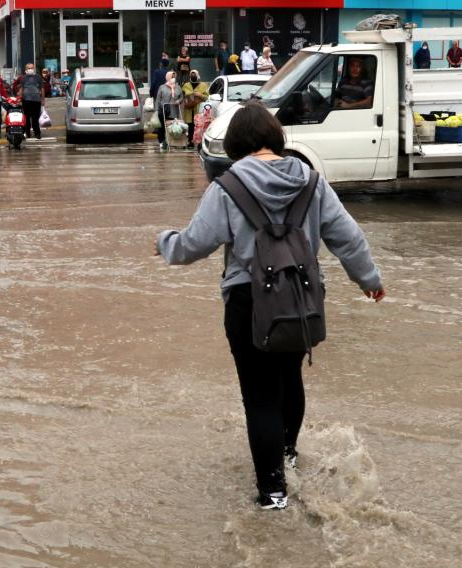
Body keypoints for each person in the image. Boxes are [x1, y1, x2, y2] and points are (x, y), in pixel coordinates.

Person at [154, 101, 385, 511]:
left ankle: (273, 493)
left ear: (237, 144)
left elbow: (192, 246)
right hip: (301, 298)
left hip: (248, 301)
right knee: (289, 377)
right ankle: (288, 458)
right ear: (276, 137)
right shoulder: (312, 183)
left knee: (259, 396)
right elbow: (347, 237)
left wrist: (163, 242)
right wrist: (370, 281)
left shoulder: (226, 187)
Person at [154, 71, 183, 151]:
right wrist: (157, 110)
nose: (173, 78)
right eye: (172, 77)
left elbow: (181, 97)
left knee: (172, 126)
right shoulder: (162, 87)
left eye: (174, 77)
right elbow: (158, 99)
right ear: (168, 77)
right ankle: (161, 141)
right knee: (162, 127)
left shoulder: (178, 87)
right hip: (163, 109)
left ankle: (171, 141)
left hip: (174, 110)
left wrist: (179, 101)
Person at [16, 63, 45, 140]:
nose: (30, 69)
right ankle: (27, 133)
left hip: (36, 100)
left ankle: (37, 133)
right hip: (26, 100)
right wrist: (20, 99)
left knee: (35, 118)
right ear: (26, 69)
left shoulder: (38, 77)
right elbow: (21, 89)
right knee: (27, 118)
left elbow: (42, 88)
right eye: (29, 68)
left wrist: (43, 99)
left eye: (32, 68)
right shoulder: (23, 78)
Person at [181, 70, 209, 150]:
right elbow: (182, 96)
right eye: (191, 74)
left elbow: (208, 98)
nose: (193, 76)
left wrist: (200, 95)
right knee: (190, 127)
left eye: (194, 74)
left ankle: (200, 143)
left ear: (198, 75)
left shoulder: (204, 85)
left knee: (199, 127)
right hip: (189, 110)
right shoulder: (186, 85)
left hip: (199, 110)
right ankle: (190, 142)